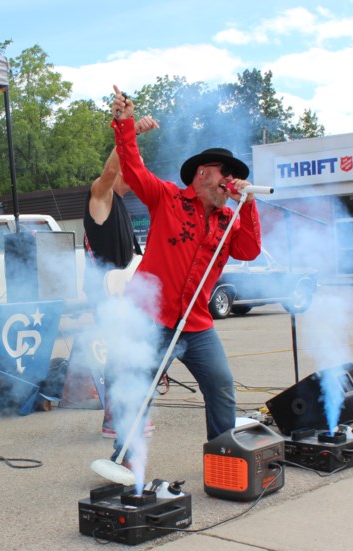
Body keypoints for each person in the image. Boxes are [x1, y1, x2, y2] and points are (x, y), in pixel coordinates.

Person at [104, 85, 261, 467]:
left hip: (196, 323)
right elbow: (134, 170)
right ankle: (124, 457)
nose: (232, 182)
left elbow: (249, 251)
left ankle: (223, 453)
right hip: (149, 318)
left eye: (237, 177)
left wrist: (249, 206)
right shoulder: (168, 198)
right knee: (136, 389)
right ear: (204, 174)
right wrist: (125, 123)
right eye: (228, 174)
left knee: (221, 386)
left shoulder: (230, 220)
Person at [84, 113, 158, 439]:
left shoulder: (125, 207)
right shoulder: (101, 197)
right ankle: (117, 419)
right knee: (121, 356)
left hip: (126, 295)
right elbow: (111, 171)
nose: (133, 171)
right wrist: (130, 135)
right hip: (109, 296)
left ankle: (130, 412)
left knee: (135, 355)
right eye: (130, 166)